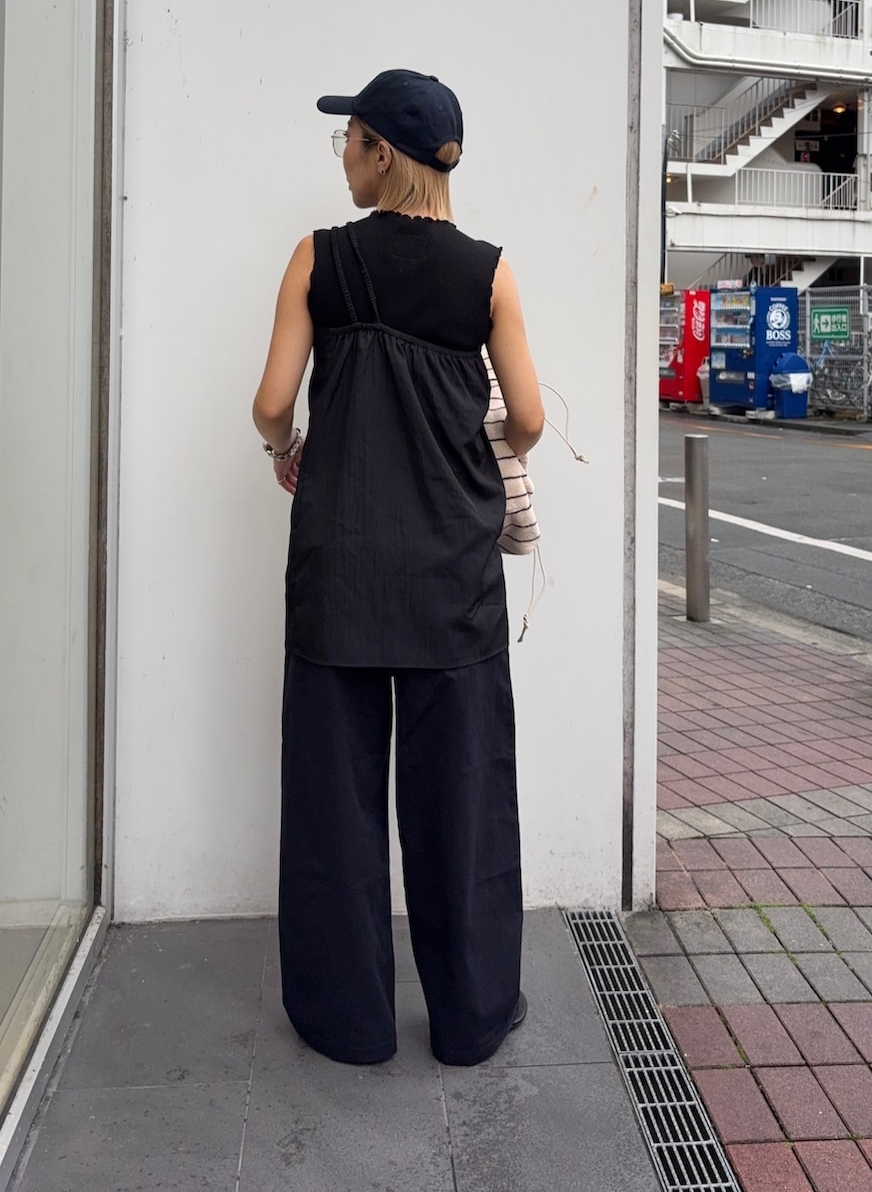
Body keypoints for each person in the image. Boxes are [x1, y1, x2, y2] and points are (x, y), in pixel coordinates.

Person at [252, 69, 544, 1068]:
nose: (341, 154)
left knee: (332, 806)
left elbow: (271, 402)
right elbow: (529, 418)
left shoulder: (318, 258)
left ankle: (348, 1022)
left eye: (350, 139)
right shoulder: (489, 274)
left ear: (382, 153)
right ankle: (471, 1016)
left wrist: (285, 448)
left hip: (339, 568)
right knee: (462, 801)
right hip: (451, 575)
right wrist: (480, 448)